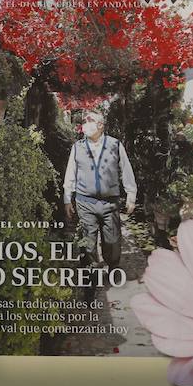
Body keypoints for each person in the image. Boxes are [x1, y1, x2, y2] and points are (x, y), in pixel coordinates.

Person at [63, 109, 137, 269]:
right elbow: (71, 173)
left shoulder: (115, 145)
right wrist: (67, 198)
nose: (86, 124)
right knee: (87, 242)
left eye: (90, 121)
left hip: (110, 203)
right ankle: (89, 272)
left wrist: (131, 195)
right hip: (85, 202)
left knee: (112, 241)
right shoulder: (78, 147)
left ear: (101, 125)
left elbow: (126, 169)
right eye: (84, 121)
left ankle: (112, 265)